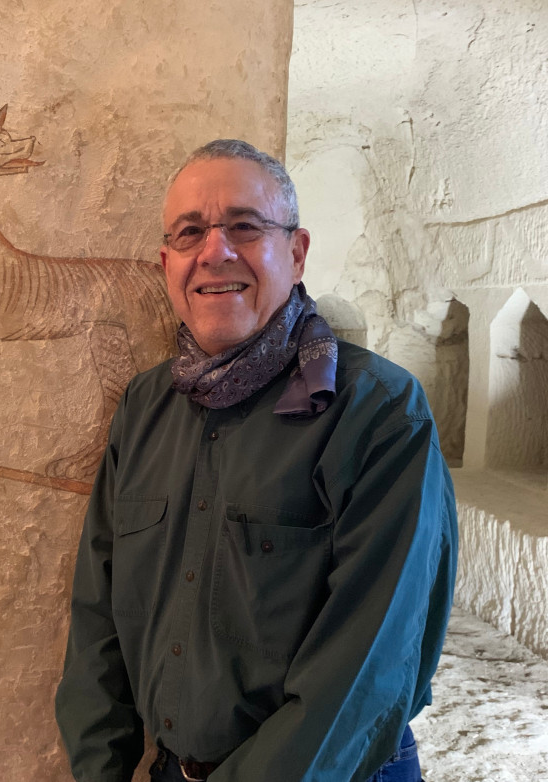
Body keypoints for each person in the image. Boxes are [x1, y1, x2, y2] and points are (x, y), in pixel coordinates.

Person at [55, 139, 458, 782]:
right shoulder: (144, 407)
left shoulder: (379, 411)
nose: (215, 251)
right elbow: (99, 616)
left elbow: (369, 666)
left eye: (244, 226)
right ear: (167, 264)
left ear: (296, 254)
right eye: (191, 233)